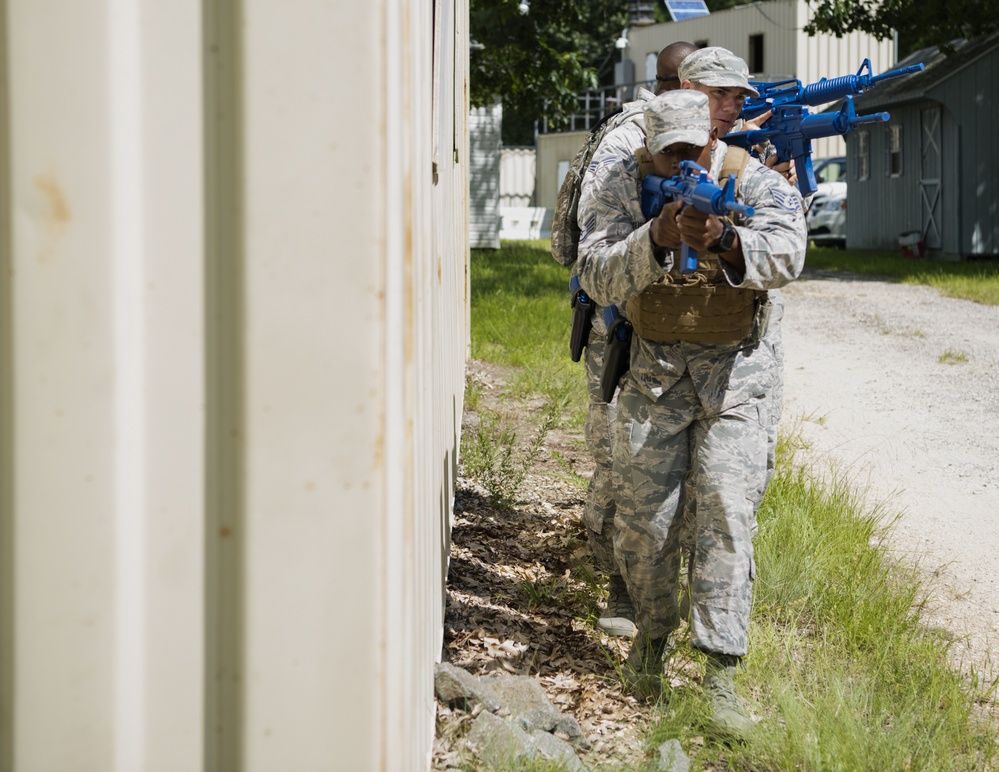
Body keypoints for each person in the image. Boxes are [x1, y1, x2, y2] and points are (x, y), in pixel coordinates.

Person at [575, 54, 807, 737]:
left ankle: (720, 674)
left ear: (712, 140)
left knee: (727, 515)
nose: (681, 158)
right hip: (653, 374)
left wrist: (727, 242)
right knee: (645, 522)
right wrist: (656, 236)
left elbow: (788, 254)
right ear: (648, 146)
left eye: (693, 148)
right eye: (666, 152)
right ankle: (649, 642)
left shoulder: (751, 178)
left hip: (736, 375)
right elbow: (594, 272)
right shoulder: (620, 181)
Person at [574, 41, 698, 639]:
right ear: (673, 84)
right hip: (615, 321)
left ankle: (656, 588)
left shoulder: (714, 141)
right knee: (615, 460)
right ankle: (618, 587)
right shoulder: (627, 140)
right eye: (693, 88)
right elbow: (594, 251)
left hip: (673, 329)